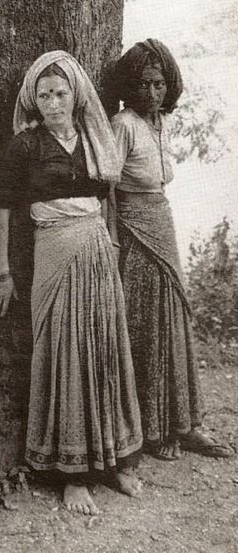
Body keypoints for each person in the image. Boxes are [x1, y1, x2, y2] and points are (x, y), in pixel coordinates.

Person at [0, 50, 143, 516]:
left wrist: (112, 249)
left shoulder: (95, 139)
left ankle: (114, 458)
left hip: (98, 250)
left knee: (104, 346)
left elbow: (107, 204)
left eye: (61, 93)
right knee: (64, 350)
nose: (53, 102)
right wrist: (1, 272)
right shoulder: (25, 146)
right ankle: (72, 474)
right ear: (33, 99)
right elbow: (1, 211)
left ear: (76, 96)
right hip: (54, 249)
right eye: (44, 94)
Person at [109, 38, 232, 461]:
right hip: (134, 229)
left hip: (162, 220)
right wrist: (111, 236)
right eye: (144, 84)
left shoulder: (161, 124)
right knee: (145, 322)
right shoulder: (123, 124)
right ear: (129, 85)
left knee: (174, 317)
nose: (152, 93)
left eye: (159, 84)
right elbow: (107, 186)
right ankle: (153, 427)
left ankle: (185, 422)